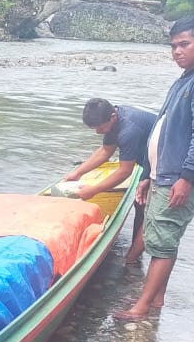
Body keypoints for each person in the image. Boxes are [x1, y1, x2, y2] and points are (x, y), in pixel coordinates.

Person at [112, 16, 194, 322]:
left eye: (184, 44)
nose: (177, 51)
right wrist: (148, 174)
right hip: (162, 174)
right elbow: (163, 131)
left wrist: (187, 178)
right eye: (173, 46)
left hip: (179, 177)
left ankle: (142, 306)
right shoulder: (186, 79)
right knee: (158, 236)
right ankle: (156, 298)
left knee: (163, 239)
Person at [63, 98, 157, 265]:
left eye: (100, 127)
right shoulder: (113, 120)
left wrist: (94, 190)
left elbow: (124, 171)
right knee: (139, 203)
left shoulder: (129, 130)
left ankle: (131, 260)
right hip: (148, 161)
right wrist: (77, 173)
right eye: (94, 128)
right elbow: (105, 151)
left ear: (113, 116)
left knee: (147, 207)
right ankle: (135, 255)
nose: (97, 131)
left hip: (164, 163)